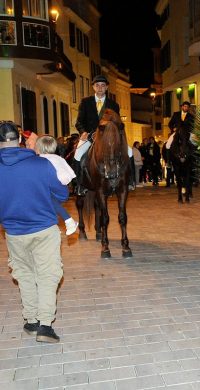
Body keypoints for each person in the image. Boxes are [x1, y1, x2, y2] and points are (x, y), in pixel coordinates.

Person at [0, 121, 68, 343]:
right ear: (19, 139)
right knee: (48, 275)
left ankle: (31, 321)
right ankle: (45, 326)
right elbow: (62, 194)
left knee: (24, 274)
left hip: (13, 231)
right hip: (43, 228)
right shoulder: (40, 164)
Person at [73, 75, 135, 194]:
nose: (100, 88)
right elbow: (79, 121)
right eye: (97, 85)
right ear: (93, 87)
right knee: (78, 154)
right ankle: (79, 184)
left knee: (130, 151)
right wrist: (83, 132)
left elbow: (117, 122)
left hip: (109, 138)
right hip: (90, 136)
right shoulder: (85, 102)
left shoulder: (113, 104)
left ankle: (130, 181)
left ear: (106, 87)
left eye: (102, 85)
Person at [35, 135, 78, 235]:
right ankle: (52, 227)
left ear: (41, 147)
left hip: (55, 190)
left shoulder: (42, 160)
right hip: (62, 189)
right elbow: (70, 173)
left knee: (46, 198)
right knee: (49, 205)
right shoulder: (58, 158)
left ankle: (69, 221)